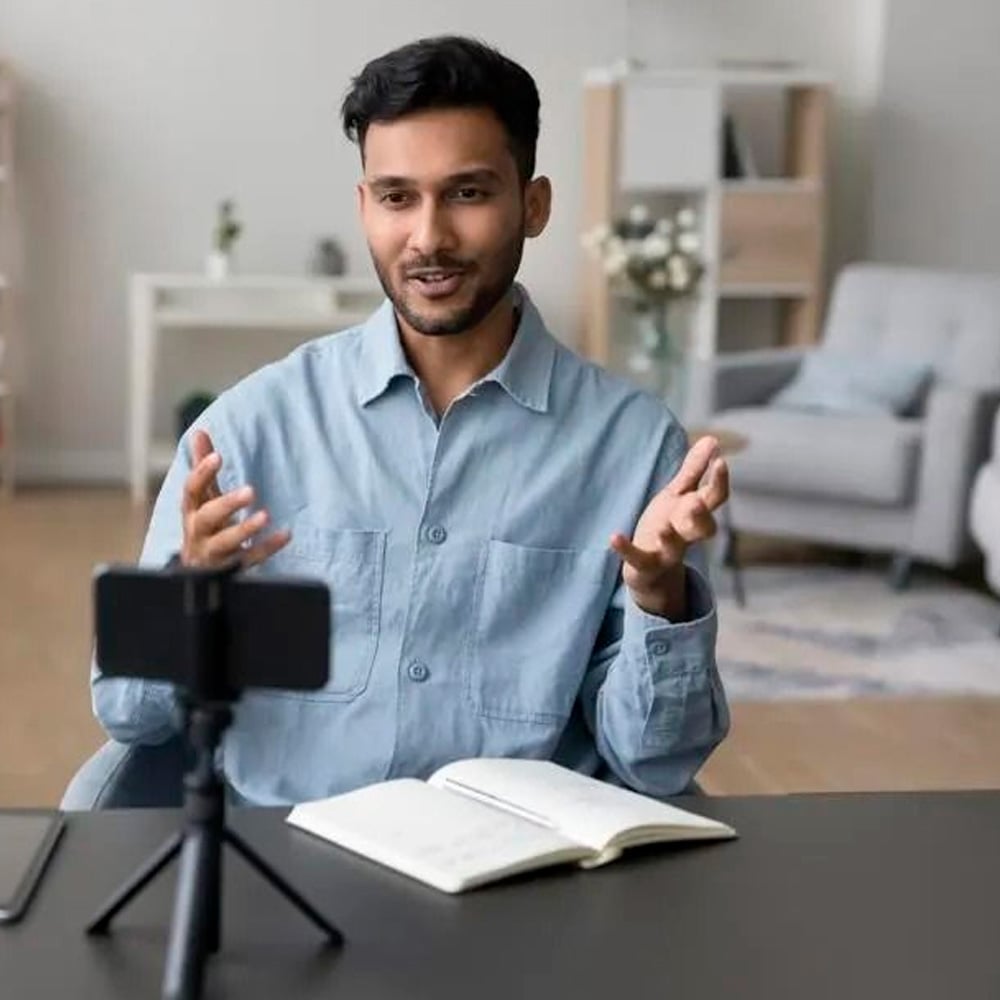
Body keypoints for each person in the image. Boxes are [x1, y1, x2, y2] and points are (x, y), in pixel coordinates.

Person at [92, 35, 730, 805]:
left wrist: (658, 593)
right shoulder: (249, 429)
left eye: (467, 193)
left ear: (534, 206)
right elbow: (127, 714)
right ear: (365, 207)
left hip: (521, 876)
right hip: (289, 867)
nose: (428, 237)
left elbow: (655, 764)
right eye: (397, 197)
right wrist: (189, 593)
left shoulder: (633, 448)